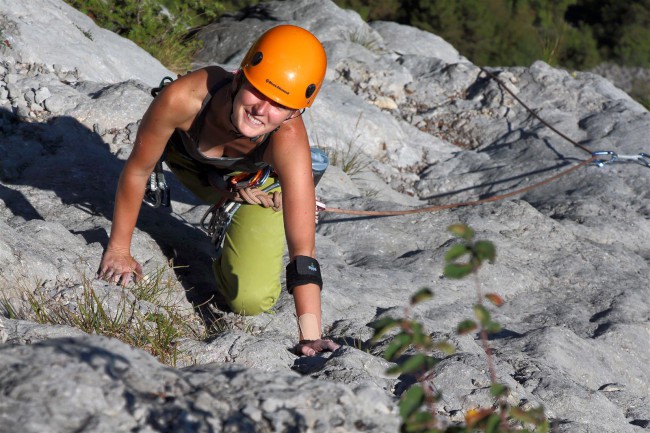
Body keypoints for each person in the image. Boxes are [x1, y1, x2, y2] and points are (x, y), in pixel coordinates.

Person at [97, 25, 339, 356]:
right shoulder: (184, 100)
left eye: (279, 104)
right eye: (258, 91)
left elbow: (302, 253)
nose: (261, 109)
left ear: (295, 112)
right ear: (240, 77)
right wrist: (119, 250)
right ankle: (249, 186)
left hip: (253, 184)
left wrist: (310, 335)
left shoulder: (287, 138)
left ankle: (285, 184)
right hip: (191, 165)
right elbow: (138, 170)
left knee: (250, 300)